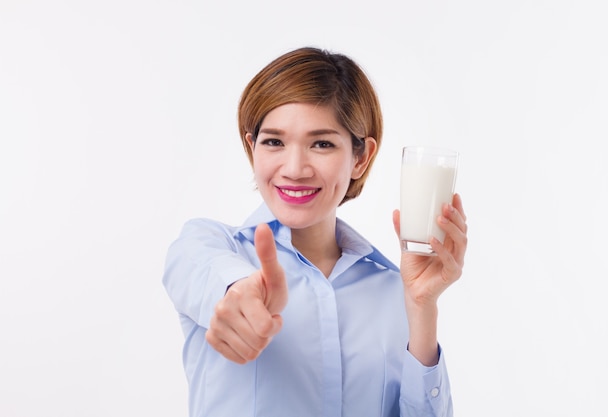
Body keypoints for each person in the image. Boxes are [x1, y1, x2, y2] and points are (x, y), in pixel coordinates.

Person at [163, 46, 468, 417]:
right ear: (252, 147)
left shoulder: (394, 289)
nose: (294, 168)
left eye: (321, 143)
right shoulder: (208, 245)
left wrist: (422, 309)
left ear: (361, 157)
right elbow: (200, 272)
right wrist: (240, 295)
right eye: (274, 141)